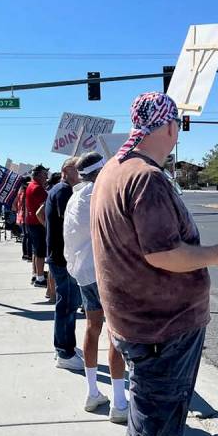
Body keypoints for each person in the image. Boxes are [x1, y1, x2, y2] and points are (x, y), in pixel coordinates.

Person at [91, 91, 218, 436]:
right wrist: (217, 255)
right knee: (152, 426)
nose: (178, 135)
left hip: (136, 320)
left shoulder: (112, 171)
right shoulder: (147, 179)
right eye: (178, 127)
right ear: (170, 128)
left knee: (146, 415)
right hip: (161, 327)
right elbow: (162, 253)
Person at [63, 152, 129, 421]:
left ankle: (92, 392)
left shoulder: (75, 196)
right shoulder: (100, 193)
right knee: (116, 334)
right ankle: (120, 403)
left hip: (83, 273)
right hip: (106, 271)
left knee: (92, 328)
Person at [43, 157, 83, 370]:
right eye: (80, 169)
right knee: (67, 304)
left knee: (68, 303)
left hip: (61, 256)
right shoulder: (63, 192)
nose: (83, 173)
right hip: (63, 257)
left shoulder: (59, 190)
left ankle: (66, 345)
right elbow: (71, 224)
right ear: (68, 170)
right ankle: (64, 352)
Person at [25, 164, 49, 287]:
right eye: (45, 174)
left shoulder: (31, 185)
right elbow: (44, 206)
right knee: (40, 252)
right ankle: (40, 279)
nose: (47, 177)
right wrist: (46, 224)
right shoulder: (38, 188)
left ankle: (36, 274)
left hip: (31, 222)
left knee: (36, 251)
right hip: (38, 223)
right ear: (39, 175)